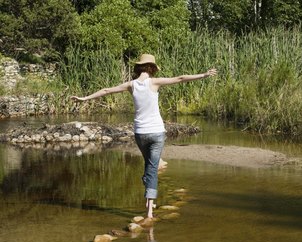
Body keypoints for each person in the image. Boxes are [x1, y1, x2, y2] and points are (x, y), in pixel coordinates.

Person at [71, 54, 217, 219]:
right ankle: (149, 210)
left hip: (140, 133)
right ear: (152, 68)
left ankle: (150, 196)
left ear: (138, 68)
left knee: (149, 167)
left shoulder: (131, 85)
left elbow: (106, 90)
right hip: (156, 133)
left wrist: (84, 98)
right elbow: (180, 78)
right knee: (151, 169)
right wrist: (204, 75)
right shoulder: (154, 82)